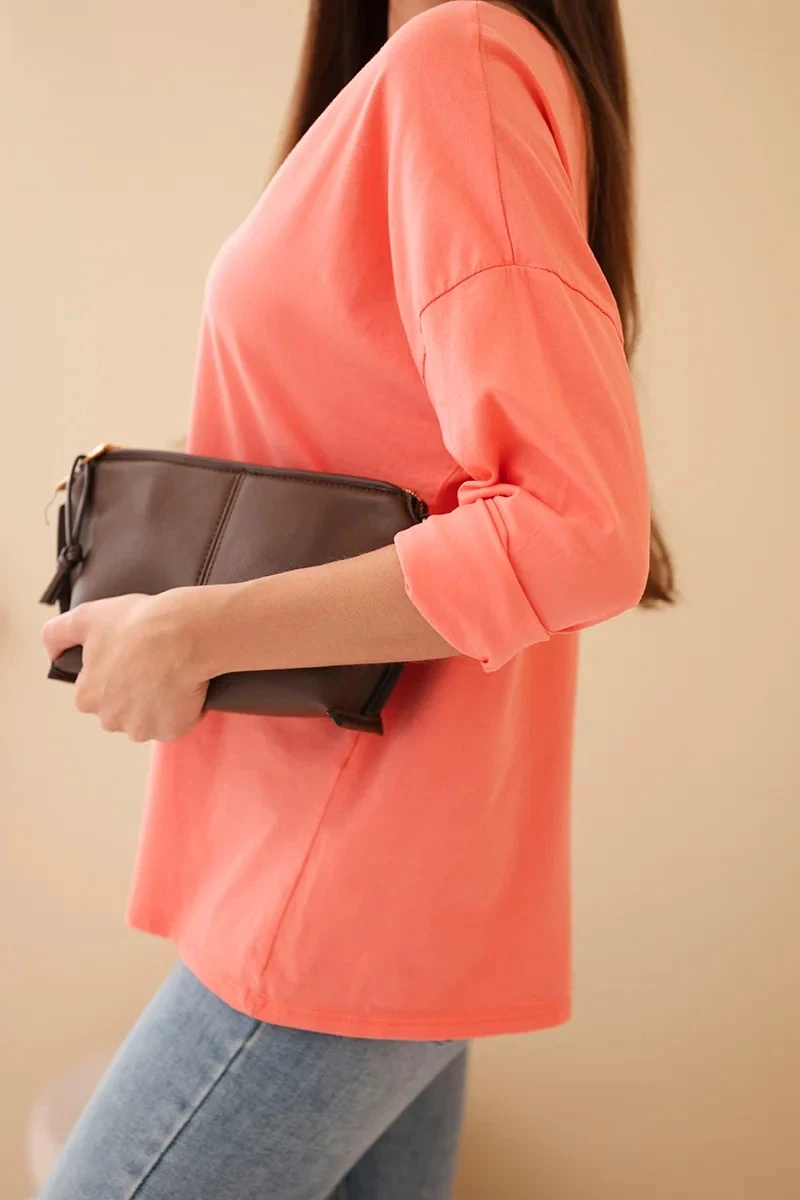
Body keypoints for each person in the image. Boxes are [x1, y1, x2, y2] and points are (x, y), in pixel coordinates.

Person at [39, 1, 674, 1197]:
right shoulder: (458, 71)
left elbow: (577, 530)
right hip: (384, 860)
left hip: (339, 871)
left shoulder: (458, 60)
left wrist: (188, 631)